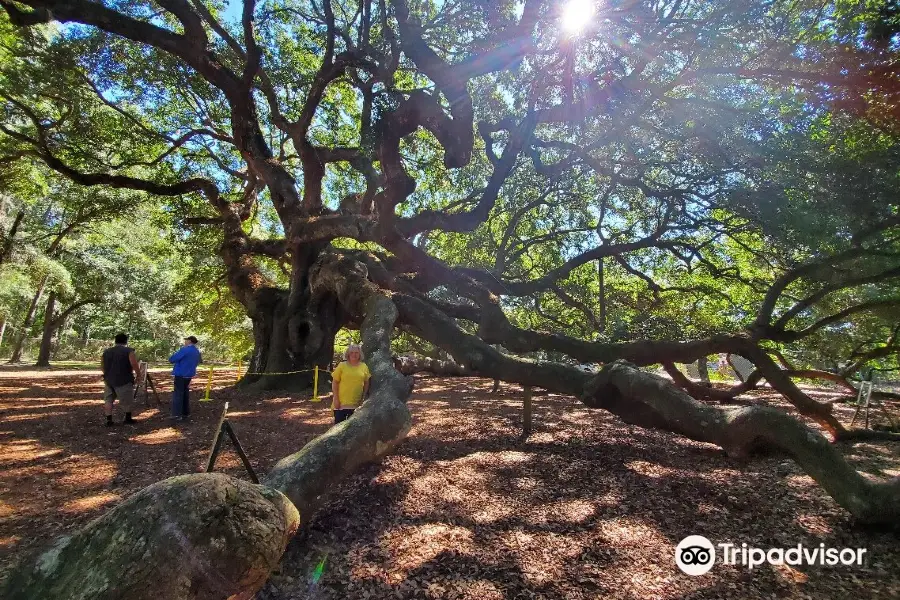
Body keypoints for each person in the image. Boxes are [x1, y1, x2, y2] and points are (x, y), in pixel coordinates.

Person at [100, 333, 141, 426]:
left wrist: (106, 374)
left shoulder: (106, 351)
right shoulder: (129, 351)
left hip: (109, 380)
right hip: (124, 379)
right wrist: (138, 374)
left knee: (108, 399)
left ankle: (109, 419)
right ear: (126, 341)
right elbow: (134, 363)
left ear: (116, 341)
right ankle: (127, 418)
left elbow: (102, 365)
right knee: (126, 400)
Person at [331, 343, 371, 424]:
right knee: (339, 429)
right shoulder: (342, 365)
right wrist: (336, 399)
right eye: (352, 352)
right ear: (348, 354)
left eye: (356, 353)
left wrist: (363, 397)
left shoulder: (364, 366)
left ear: (360, 354)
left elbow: (367, 382)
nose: (354, 355)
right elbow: (335, 382)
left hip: (357, 404)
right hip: (341, 404)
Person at [168, 335, 202, 421]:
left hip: (181, 374)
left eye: (186, 340)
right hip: (189, 374)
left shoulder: (185, 350)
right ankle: (185, 413)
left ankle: (177, 414)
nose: (185, 342)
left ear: (190, 341)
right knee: (185, 393)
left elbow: (172, 359)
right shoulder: (196, 351)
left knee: (178, 394)